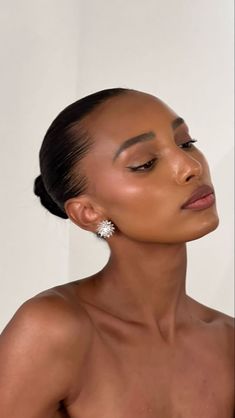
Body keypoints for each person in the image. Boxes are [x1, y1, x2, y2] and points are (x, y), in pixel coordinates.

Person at [0, 88, 234, 418]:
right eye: (145, 163)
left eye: (185, 142)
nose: (190, 166)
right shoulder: (53, 330)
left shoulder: (228, 342)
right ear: (88, 213)